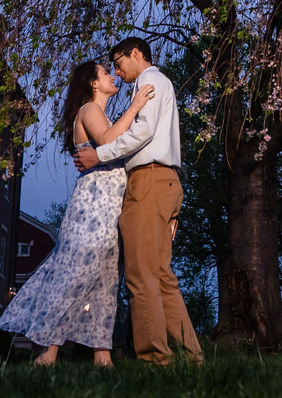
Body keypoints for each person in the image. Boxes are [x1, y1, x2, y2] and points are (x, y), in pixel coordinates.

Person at [0, 59, 154, 366]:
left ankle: (102, 356)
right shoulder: (89, 109)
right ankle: (47, 353)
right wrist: (134, 107)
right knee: (73, 275)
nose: (112, 76)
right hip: (92, 208)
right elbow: (108, 141)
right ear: (93, 83)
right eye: (106, 73)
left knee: (106, 281)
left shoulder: (102, 113)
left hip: (108, 210)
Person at [74, 36, 203, 366]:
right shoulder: (163, 82)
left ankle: (155, 361)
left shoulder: (147, 79)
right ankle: (192, 359)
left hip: (148, 181)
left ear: (136, 54)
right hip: (167, 182)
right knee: (162, 277)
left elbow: (142, 133)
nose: (117, 71)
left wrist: (99, 155)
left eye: (118, 63)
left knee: (141, 277)